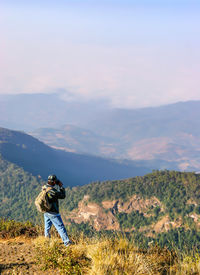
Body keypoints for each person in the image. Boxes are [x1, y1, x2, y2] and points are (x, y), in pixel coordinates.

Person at [43, 174, 71, 247]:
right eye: (55, 181)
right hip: (53, 212)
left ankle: (46, 241)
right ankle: (67, 242)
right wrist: (61, 186)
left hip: (46, 210)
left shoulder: (45, 187)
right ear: (54, 182)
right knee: (60, 227)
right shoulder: (53, 191)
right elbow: (63, 196)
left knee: (47, 227)